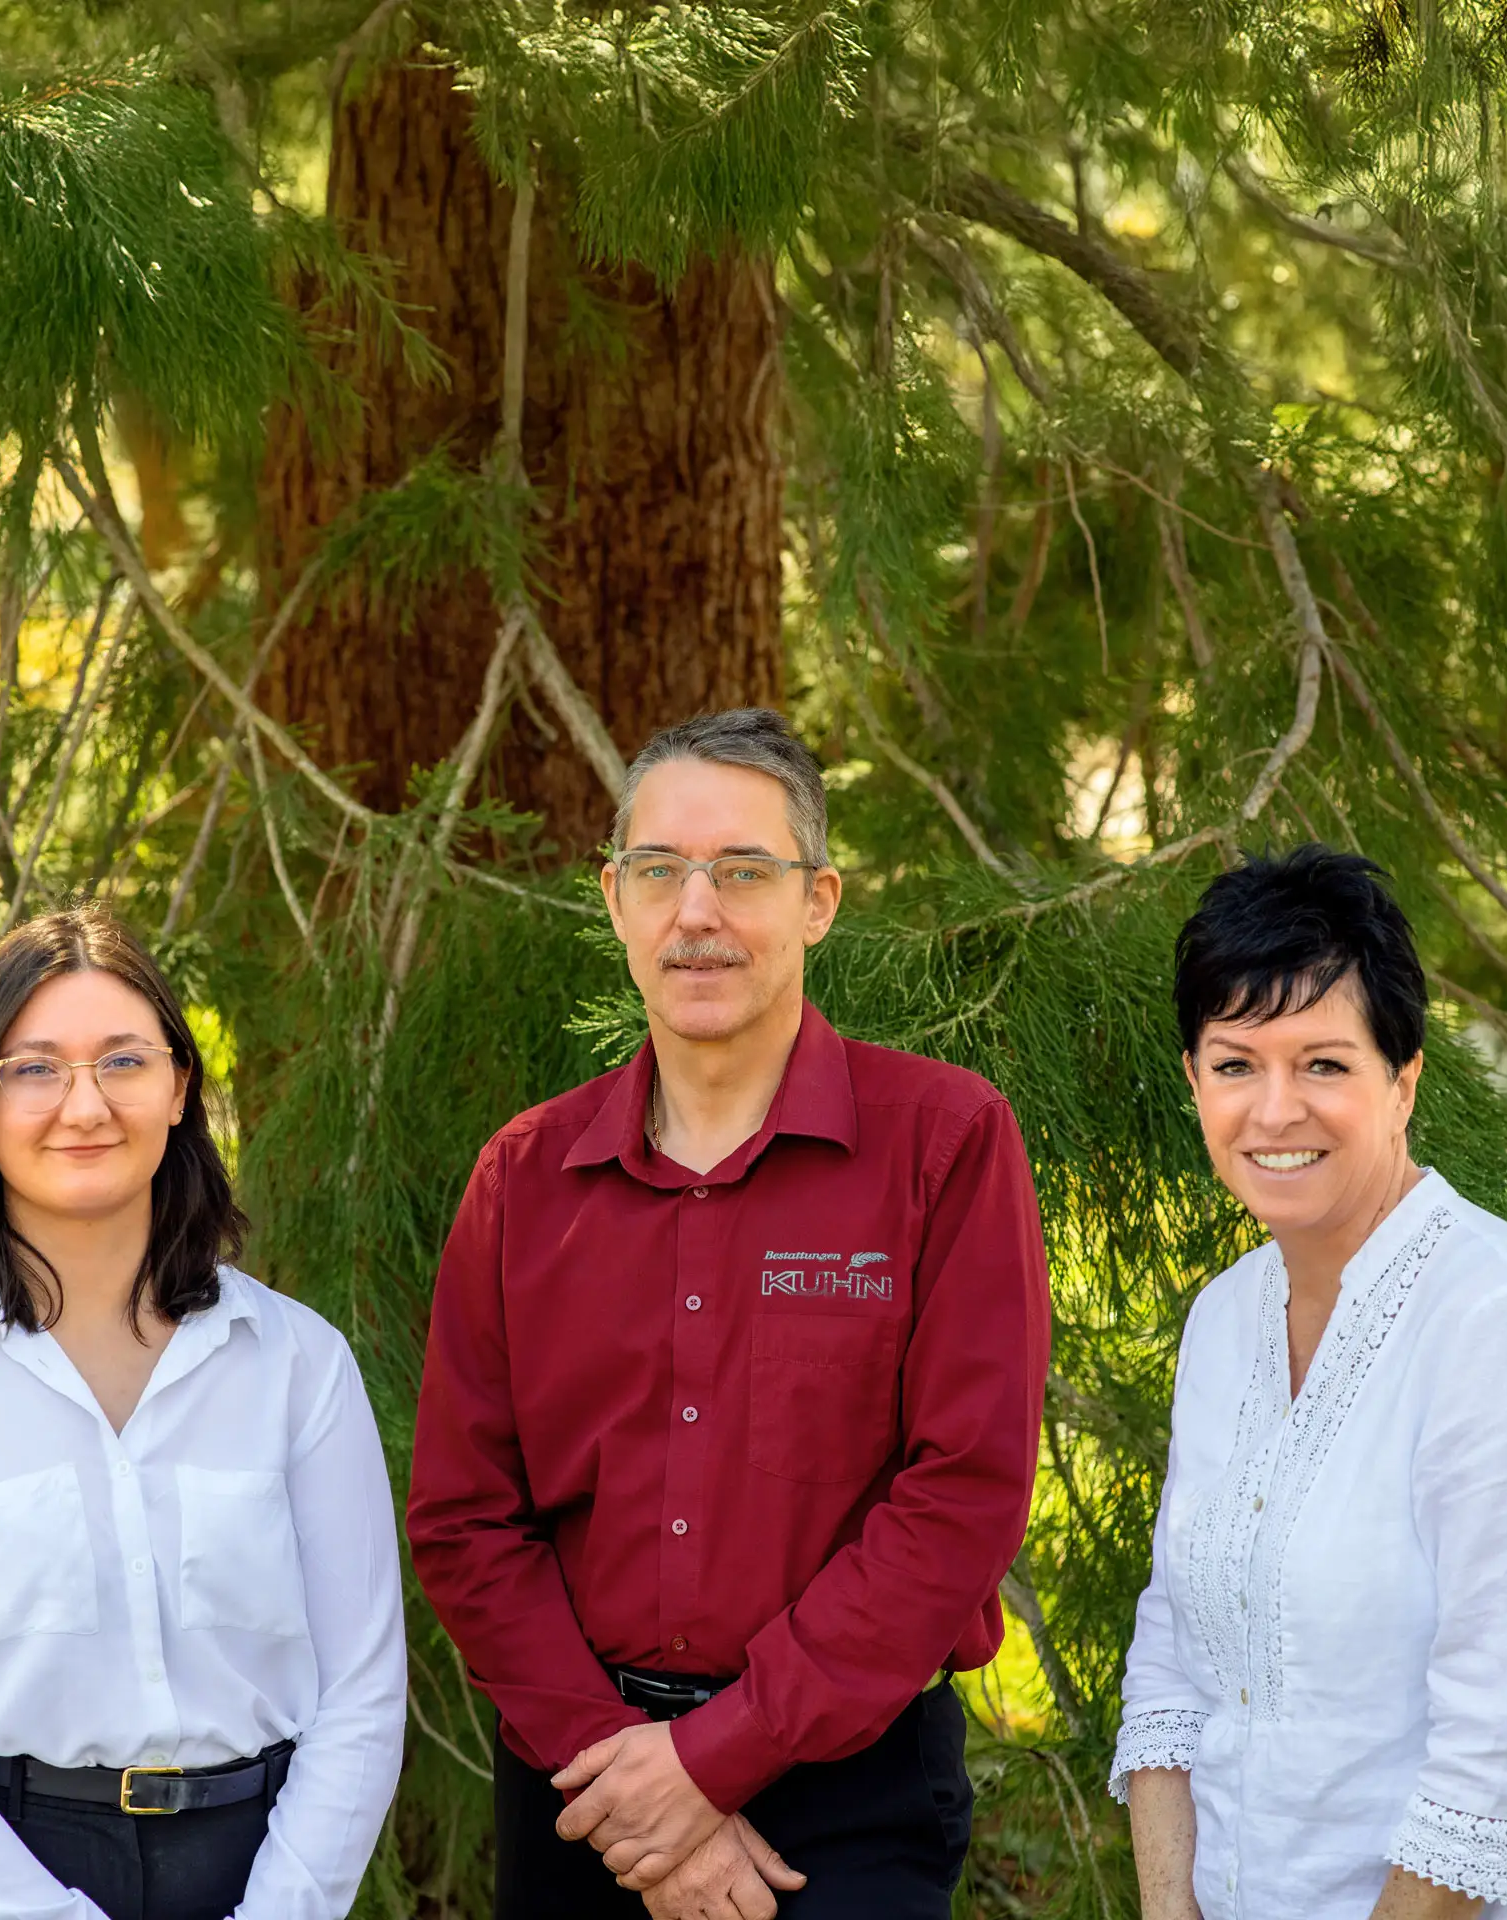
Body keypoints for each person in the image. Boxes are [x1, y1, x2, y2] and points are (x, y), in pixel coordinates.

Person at [405, 707, 1051, 1920]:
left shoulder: (946, 1142)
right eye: (661, 871)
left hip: (849, 1797)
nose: (697, 911)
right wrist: (626, 1777)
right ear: (615, 899)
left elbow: (961, 1495)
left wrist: (712, 1760)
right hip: (579, 1785)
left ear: (819, 900)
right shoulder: (525, 1179)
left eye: (744, 871)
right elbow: (463, 1519)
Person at [0, 908, 407, 1920]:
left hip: (254, 1877)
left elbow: (363, 1699)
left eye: (122, 1060)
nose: (84, 1104)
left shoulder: (299, 1366)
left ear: (178, 1091)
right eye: (34, 1068)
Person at [1112, 846, 1507, 1920]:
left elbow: (1498, 1755)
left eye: (1326, 1064)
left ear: (1404, 1081)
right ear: (1192, 1083)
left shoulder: (1499, 1319)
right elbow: (1173, 1653)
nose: (1275, 1110)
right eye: (1236, 1062)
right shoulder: (1223, 1320)